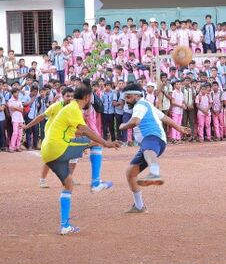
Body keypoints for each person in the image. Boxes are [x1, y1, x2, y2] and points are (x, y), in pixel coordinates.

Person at [41, 81, 120, 234]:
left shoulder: (70, 108)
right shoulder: (74, 108)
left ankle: (64, 226)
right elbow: (83, 130)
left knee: (68, 184)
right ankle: (96, 182)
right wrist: (106, 143)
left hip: (48, 152)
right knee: (95, 144)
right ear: (87, 97)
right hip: (59, 147)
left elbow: (76, 131)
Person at [119, 83, 190, 213]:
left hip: (153, 138)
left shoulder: (140, 105)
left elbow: (134, 121)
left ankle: (155, 172)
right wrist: (179, 128)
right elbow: (165, 118)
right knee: (130, 173)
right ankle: (139, 206)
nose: (126, 101)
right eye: (125, 98)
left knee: (148, 150)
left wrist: (123, 126)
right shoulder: (147, 105)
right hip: (153, 141)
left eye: (129, 97)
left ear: (137, 95)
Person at [7, 88, 24, 153]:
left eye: (18, 93)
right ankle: (11, 147)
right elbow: (11, 108)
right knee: (15, 133)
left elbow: (22, 110)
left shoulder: (19, 100)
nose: (17, 94)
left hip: (20, 118)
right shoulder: (10, 100)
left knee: (20, 133)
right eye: (16, 93)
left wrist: (16, 108)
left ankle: (18, 146)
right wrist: (18, 108)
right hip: (14, 118)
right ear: (13, 93)